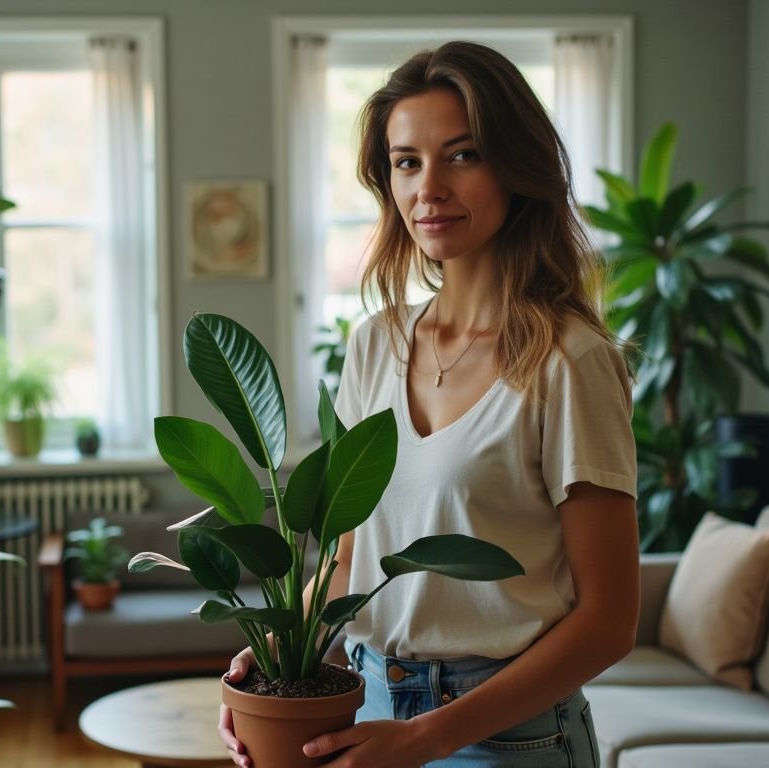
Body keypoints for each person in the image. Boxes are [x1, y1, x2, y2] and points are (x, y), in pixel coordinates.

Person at [219, 40, 640, 767]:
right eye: (407, 162)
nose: (429, 188)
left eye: (464, 155)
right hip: (364, 705)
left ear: (517, 167)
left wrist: (427, 736)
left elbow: (609, 622)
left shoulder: (570, 361)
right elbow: (353, 559)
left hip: (508, 735)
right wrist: (278, 662)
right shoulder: (374, 345)